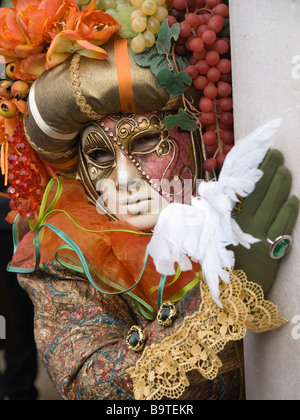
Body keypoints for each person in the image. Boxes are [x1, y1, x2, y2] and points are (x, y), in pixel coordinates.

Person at [0, 0, 299, 400]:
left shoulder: (248, 205)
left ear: (194, 137)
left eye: (144, 142)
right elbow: (96, 388)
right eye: (99, 155)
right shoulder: (69, 262)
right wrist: (225, 295)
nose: (124, 181)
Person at [0, 176, 38, 400]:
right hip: (13, 223)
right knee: (17, 321)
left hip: (17, 226)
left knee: (18, 321)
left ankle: (18, 391)